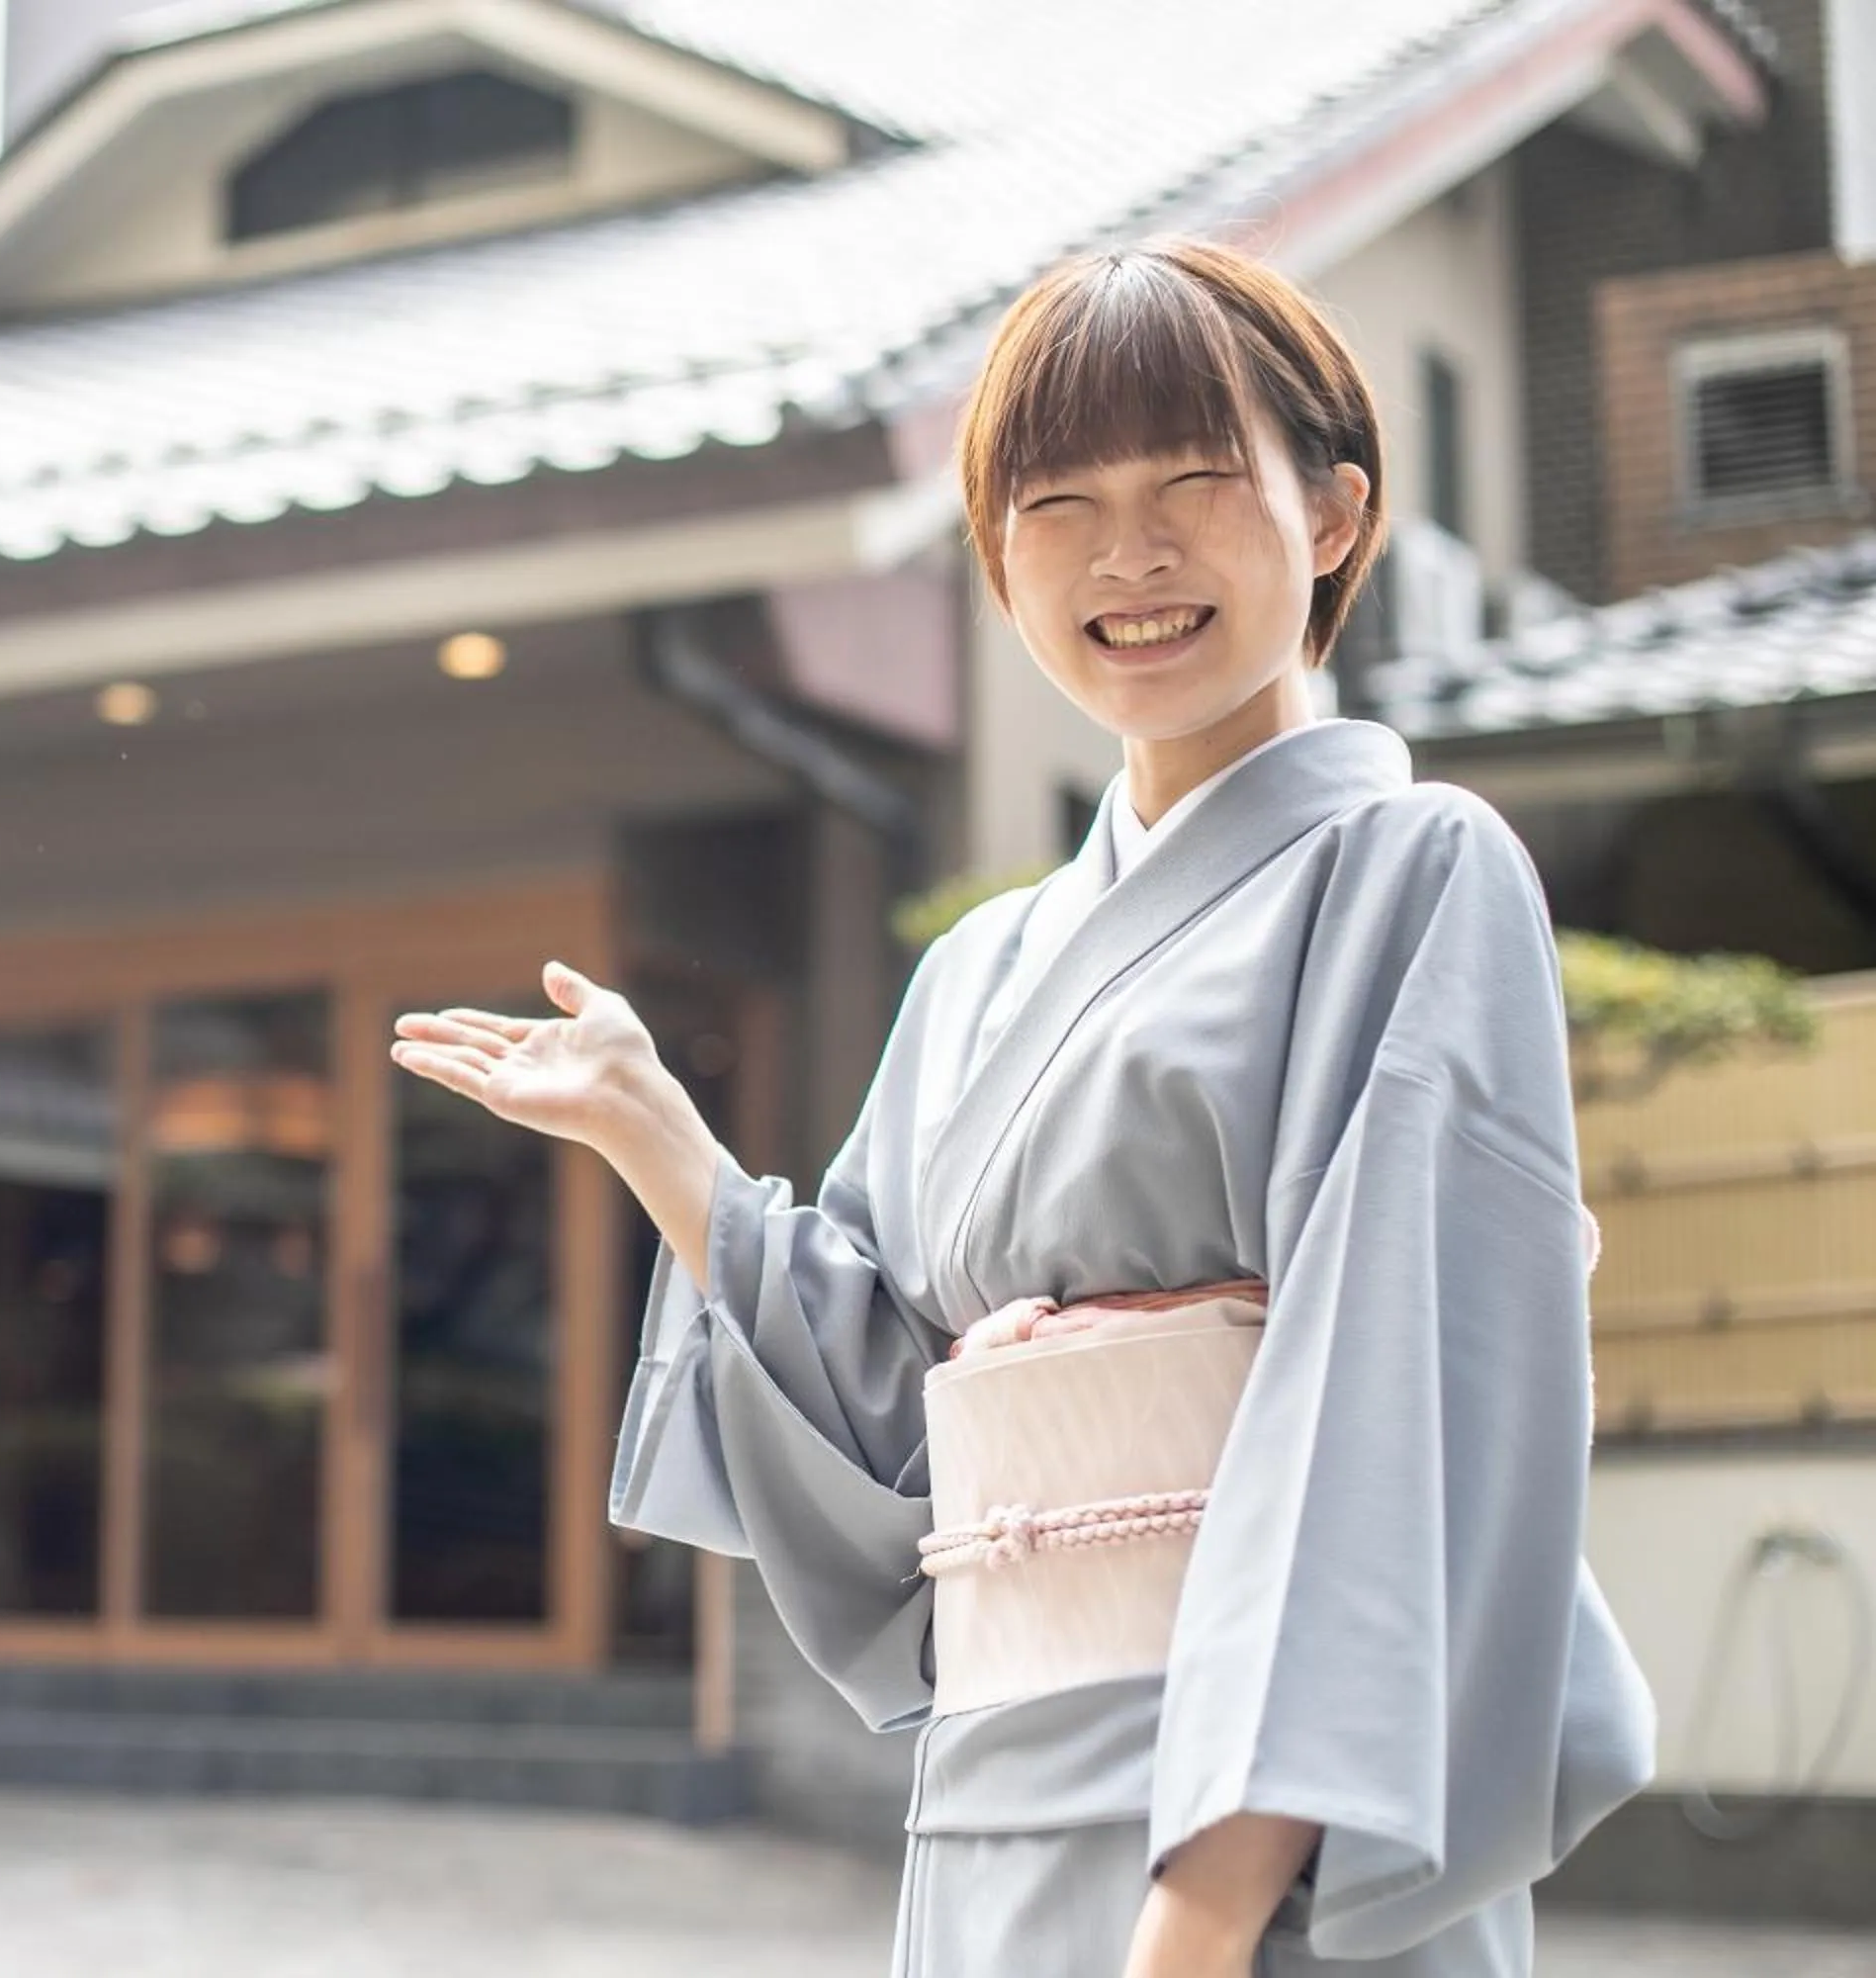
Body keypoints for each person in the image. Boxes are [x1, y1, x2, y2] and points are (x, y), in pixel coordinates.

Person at [387, 237, 1653, 1977]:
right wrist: (656, 1136)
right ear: (998, 559)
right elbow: (904, 1437)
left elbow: (1395, 1401)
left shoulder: (1412, 871)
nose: (1128, 555)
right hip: (994, 1817)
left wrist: (1201, 1915)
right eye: (1055, 505)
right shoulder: (978, 967)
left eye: (1195, 481)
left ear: (1339, 513)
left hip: (1265, 1843)